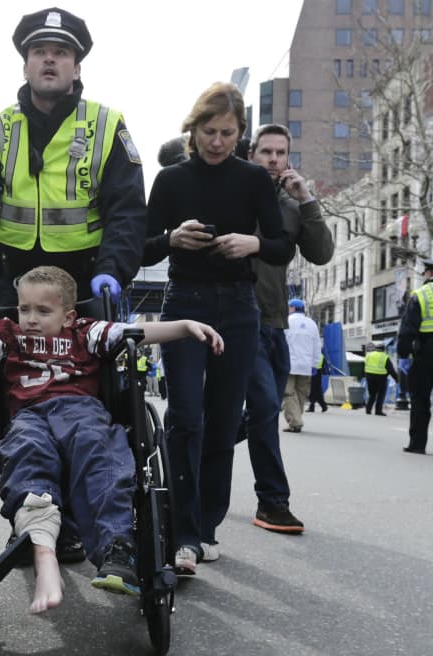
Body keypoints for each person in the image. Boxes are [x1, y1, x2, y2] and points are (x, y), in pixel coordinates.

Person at [0, 266, 224, 613]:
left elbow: (132, 331)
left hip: (82, 412)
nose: (31, 318)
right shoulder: (8, 333)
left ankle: (116, 547)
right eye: (24, 309)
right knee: (28, 451)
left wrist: (183, 327)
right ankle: (44, 551)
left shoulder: (85, 332)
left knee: (102, 454)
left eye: (43, 311)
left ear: (69, 314)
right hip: (30, 415)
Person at [142, 82, 292, 575]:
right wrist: (171, 238)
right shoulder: (170, 180)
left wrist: (252, 244)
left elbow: (281, 246)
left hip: (239, 306)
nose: (217, 142)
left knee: (224, 422)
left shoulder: (253, 180)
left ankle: (206, 527)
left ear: (240, 133)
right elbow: (139, 249)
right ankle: (180, 532)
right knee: (187, 417)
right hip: (185, 303)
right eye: (209, 131)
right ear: (193, 129)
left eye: (228, 133)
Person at [0, 7, 145, 307]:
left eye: (61, 52)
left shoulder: (107, 126)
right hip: (13, 282)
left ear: (76, 69)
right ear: (26, 67)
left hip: (87, 283)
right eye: (39, 51)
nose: (49, 58)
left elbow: (126, 210)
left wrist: (112, 270)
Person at [241, 123, 332, 537]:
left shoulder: (292, 205)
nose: (273, 159)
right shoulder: (235, 193)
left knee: (250, 415)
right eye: (265, 152)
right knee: (262, 409)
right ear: (252, 154)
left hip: (276, 323)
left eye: (280, 153)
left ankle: (188, 459)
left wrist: (307, 199)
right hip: (241, 318)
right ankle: (274, 502)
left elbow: (322, 253)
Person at [398, 257, 433, 454]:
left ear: (428, 273)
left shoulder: (420, 294)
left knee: (420, 399)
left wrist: (404, 355)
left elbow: (407, 330)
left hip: (426, 352)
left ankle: (418, 444)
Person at [282, 298, 321, 434]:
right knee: (300, 394)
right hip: (306, 365)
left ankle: (295, 422)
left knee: (288, 393)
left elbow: (280, 342)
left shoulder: (286, 321)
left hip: (289, 363)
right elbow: (317, 346)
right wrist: (315, 364)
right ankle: (295, 421)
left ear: (292, 308)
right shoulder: (312, 324)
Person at [363, 343, 399, 416]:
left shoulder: (369, 355)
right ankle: (378, 411)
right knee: (380, 395)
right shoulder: (385, 357)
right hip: (381, 377)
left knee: (372, 394)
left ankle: (368, 410)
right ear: (383, 349)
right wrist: (397, 379)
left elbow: (365, 365)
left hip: (369, 376)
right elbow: (391, 370)